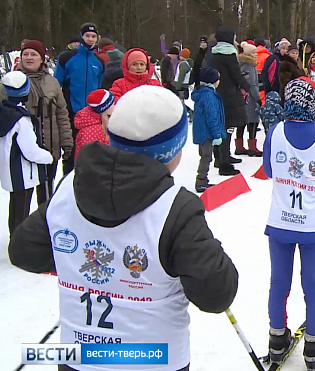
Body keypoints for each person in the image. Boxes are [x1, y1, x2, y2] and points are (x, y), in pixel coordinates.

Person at [8, 85, 239, 371]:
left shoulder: (71, 185)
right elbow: (217, 294)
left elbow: (24, 251)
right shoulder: (176, 207)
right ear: (173, 150)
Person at [263, 77, 315, 371]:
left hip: (280, 223)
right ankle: (313, 345)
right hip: (312, 225)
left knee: (279, 282)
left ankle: (276, 339)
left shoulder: (275, 131)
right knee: (313, 285)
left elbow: (269, 169)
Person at [18, 40, 73, 204]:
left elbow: (62, 114)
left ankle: (44, 226)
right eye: (25, 54)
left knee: (47, 194)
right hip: (22, 150)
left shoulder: (52, 82)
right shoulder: (13, 81)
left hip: (49, 146)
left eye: (33, 54)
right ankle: (19, 228)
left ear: (42, 58)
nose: (29, 58)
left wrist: (66, 141)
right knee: (22, 198)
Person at [0, 72, 54, 233]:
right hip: (23, 173)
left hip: (9, 172)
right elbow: (30, 150)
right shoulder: (22, 120)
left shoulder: (4, 113)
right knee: (22, 213)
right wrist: (48, 157)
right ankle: (19, 246)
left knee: (15, 209)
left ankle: (13, 240)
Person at [54, 22, 105, 177]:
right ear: (82, 36)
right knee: (70, 153)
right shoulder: (67, 58)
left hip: (91, 115)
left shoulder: (99, 62)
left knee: (91, 154)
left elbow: (100, 87)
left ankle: (88, 186)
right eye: (87, 35)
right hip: (71, 113)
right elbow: (56, 85)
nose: (90, 39)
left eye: (93, 36)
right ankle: (67, 188)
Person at [210, 26, 252, 176]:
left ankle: (220, 157)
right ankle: (224, 164)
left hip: (217, 92)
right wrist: (247, 86)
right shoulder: (228, 53)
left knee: (220, 126)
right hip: (229, 95)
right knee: (227, 128)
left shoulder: (213, 52)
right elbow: (235, 74)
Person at [191, 67, 227, 193]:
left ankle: (202, 180)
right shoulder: (209, 96)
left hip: (201, 132)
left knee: (204, 155)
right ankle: (201, 181)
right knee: (206, 156)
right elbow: (212, 116)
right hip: (207, 133)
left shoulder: (202, 93)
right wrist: (216, 134)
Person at [237, 41, 264, 157]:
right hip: (250, 98)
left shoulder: (240, 65)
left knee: (241, 122)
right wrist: (258, 98)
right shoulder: (250, 67)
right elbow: (252, 84)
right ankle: (252, 147)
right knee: (252, 121)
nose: (256, 54)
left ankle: (239, 146)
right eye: (253, 52)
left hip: (242, 97)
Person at [74, 89, 115, 161]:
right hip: (96, 170)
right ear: (105, 108)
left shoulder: (103, 123)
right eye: (113, 104)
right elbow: (89, 159)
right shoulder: (91, 132)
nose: (115, 106)